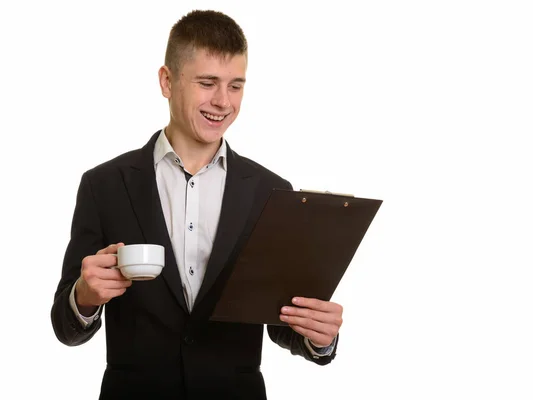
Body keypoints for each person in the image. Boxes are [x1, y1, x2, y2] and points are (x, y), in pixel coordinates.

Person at [50, 9, 343, 400]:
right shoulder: (103, 185)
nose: (223, 102)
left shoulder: (271, 191)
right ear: (167, 81)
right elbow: (64, 325)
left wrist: (318, 336)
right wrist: (84, 296)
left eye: (236, 86)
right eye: (208, 83)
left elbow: (282, 322)